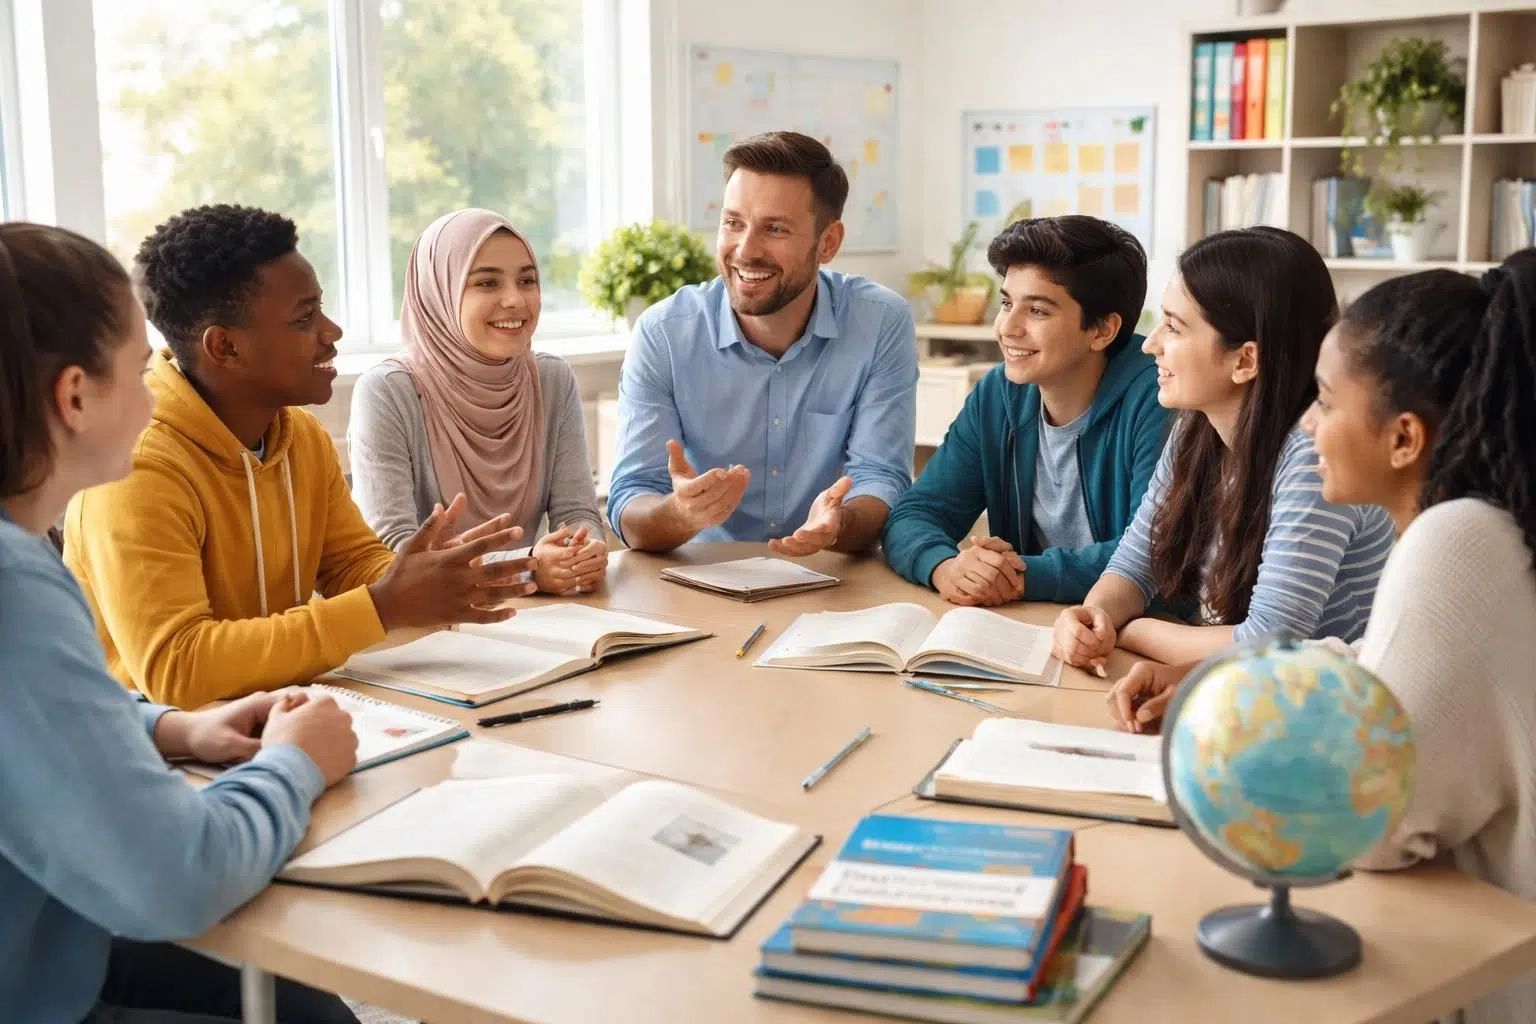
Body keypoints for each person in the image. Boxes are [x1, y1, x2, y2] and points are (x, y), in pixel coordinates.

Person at [1107, 253, 1536, 1024]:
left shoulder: (1455, 542)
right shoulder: (1477, 524)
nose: (1308, 424)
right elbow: (1376, 665)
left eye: (1328, 403)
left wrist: (1238, 730)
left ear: (1403, 438)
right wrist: (1238, 689)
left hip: (1477, 980)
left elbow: (1371, 826)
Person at [0, 220, 362, 1023]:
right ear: (74, 397)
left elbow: (33, 714)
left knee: (311, 1010)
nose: (157, 391)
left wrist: (167, 729)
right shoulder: (13, 584)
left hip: (52, 930)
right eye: (139, 369)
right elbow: (178, 878)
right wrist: (296, 765)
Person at [64, 204, 536, 709]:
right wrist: (383, 605)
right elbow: (179, 668)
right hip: (162, 757)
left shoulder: (300, 436)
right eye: (304, 318)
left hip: (276, 718)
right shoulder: (136, 468)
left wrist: (434, 577)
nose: (331, 332)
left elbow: (350, 563)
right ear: (225, 347)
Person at [1052, 227, 1393, 672]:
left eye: (1174, 328)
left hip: (1328, 708)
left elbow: (1270, 643)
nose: (1151, 344)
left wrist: (1131, 631)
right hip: (1257, 697)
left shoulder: (1313, 455)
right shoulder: (1198, 426)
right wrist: (1092, 616)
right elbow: (1135, 565)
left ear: (1245, 360)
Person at [605, 130, 917, 554]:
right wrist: (677, 515)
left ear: (828, 243)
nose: (745, 250)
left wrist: (838, 524)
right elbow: (632, 496)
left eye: (775, 228)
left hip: (830, 577)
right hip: (700, 579)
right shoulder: (663, 333)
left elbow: (883, 478)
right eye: (733, 223)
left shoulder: (880, 322)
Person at [882, 215, 1169, 605]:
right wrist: (946, 567)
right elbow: (915, 513)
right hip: (1027, 624)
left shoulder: (1160, 397)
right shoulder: (998, 394)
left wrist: (1019, 576)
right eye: (1006, 303)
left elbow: (1157, 555)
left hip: (1139, 632)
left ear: (1102, 330)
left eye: (1037, 311)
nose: (1007, 327)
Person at [349, 208, 605, 595]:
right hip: (422, 628)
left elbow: (579, 513)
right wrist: (528, 567)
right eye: (487, 283)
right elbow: (392, 554)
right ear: (441, 292)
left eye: (527, 280)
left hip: (538, 619)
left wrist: (582, 552)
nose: (515, 300)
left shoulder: (551, 379)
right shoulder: (387, 391)